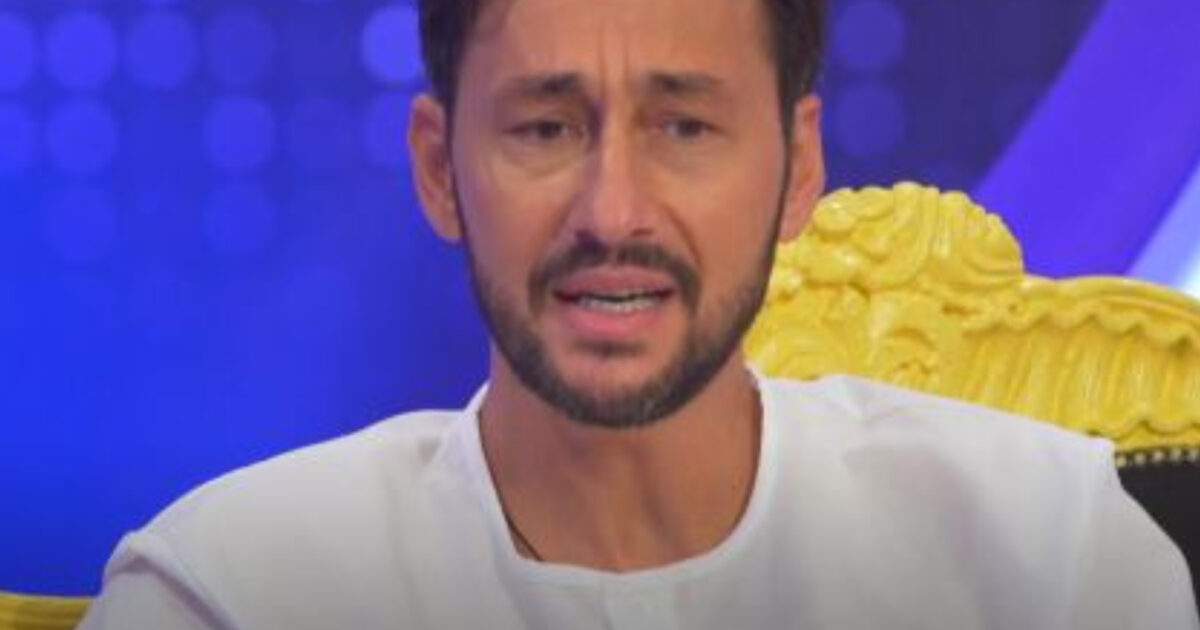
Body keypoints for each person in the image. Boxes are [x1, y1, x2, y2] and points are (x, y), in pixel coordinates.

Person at [79, 0, 1198, 628]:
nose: (612, 212)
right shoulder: (230, 596)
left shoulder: (1052, 555)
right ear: (437, 168)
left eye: (684, 128)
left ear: (799, 167)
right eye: (546, 128)